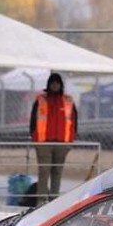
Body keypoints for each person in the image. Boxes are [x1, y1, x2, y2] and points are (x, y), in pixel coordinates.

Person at [30, 72, 77, 205]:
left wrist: (70, 141)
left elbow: (74, 122)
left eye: (57, 83)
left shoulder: (68, 101)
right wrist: (35, 139)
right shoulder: (41, 100)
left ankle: (54, 200)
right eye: (53, 83)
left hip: (62, 143)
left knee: (57, 172)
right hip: (44, 142)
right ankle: (41, 200)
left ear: (60, 84)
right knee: (44, 171)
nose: (55, 85)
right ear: (49, 84)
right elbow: (33, 121)